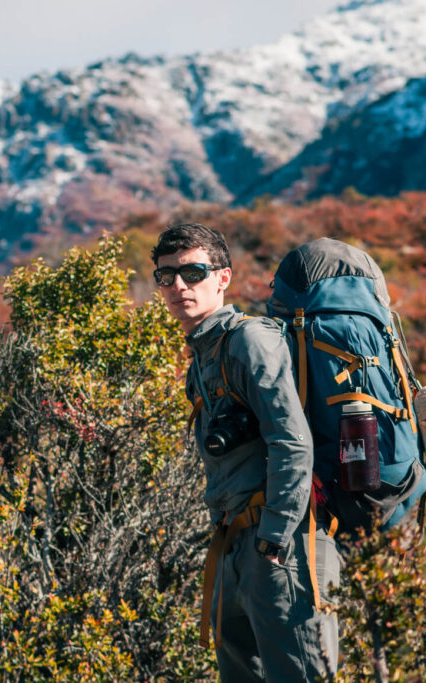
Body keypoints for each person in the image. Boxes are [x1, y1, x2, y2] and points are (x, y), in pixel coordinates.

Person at [151, 223, 339, 682]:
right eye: (166, 275)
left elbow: (292, 441)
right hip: (236, 547)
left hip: (281, 545)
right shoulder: (204, 352)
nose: (178, 286)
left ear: (223, 278)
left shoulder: (249, 340)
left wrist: (274, 537)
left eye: (193, 272)